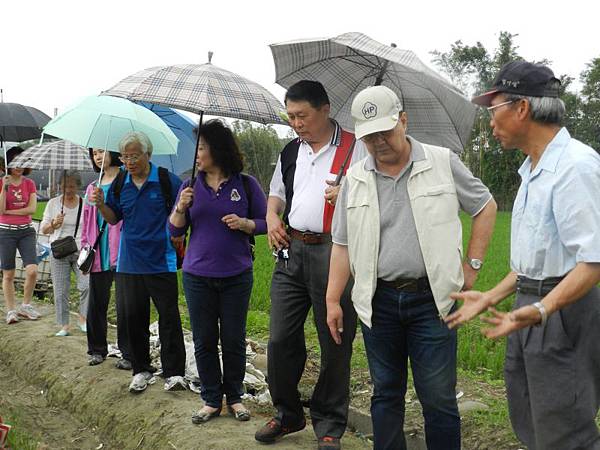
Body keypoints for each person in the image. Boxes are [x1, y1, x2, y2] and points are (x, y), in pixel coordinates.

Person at [326, 85, 497, 450]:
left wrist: (473, 267)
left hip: (432, 302)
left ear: (403, 121)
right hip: (379, 301)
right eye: (369, 137)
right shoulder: (354, 179)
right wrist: (331, 300)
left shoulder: (441, 161)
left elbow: (485, 206)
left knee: (437, 398)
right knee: (385, 394)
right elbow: (341, 244)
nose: (379, 142)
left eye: (385, 132)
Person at [446, 60, 600, 450]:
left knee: (565, 426)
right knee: (530, 415)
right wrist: (492, 297)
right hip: (531, 304)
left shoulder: (574, 167)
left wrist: (543, 309)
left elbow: (594, 260)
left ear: (521, 108)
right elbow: (531, 261)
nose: (490, 123)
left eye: (493, 111)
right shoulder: (532, 169)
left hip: (562, 308)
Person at [254, 80, 367, 449]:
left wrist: (350, 191)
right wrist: (272, 219)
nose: (296, 123)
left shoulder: (356, 149)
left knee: (335, 339)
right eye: (291, 116)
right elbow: (277, 194)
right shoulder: (291, 150)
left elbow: (377, 196)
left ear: (325, 109)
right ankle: (288, 414)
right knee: (280, 338)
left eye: (302, 115)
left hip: (336, 251)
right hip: (292, 250)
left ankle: (330, 422)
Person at [169, 120, 267, 424]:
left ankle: (234, 397)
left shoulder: (246, 184)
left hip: (237, 275)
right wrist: (182, 207)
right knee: (205, 339)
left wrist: (246, 224)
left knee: (234, 339)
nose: (197, 154)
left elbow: (267, 222)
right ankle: (212, 399)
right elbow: (174, 229)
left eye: (202, 148)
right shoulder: (189, 186)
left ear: (218, 149)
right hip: (198, 276)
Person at [90, 131, 187, 394]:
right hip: (129, 262)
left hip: (161, 260)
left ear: (148, 155)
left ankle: (175, 372)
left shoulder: (167, 180)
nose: (129, 161)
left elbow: (185, 215)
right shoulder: (121, 182)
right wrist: (100, 205)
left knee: (168, 317)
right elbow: (113, 219)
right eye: (124, 156)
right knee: (133, 318)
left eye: (134, 155)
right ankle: (141, 369)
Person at [81, 148, 132, 368]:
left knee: (126, 304)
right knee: (97, 302)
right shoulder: (93, 187)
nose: (98, 157)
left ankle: (128, 353)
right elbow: (86, 219)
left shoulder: (126, 180)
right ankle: (96, 349)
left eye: (102, 152)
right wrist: (85, 245)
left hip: (122, 251)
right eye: (94, 154)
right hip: (98, 251)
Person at [41, 171, 89, 336]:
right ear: (60, 186)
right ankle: (64, 325)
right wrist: (54, 224)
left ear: (78, 186)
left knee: (87, 286)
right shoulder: (53, 204)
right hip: (59, 252)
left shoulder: (85, 204)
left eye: (71, 186)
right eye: (64, 186)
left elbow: (91, 228)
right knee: (61, 290)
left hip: (81, 252)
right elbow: (44, 229)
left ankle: (83, 318)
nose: (68, 189)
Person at [0, 146, 40, 324]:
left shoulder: (29, 183)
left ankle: (25, 305)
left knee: (32, 271)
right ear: (8, 163)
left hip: (26, 231)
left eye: (23, 161)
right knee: (8, 274)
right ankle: (10, 311)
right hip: (5, 232)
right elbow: (0, 210)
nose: (19, 165)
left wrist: (11, 211)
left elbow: (32, 209)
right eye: (15, 161)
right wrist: (4, 188)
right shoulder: (2, 182)